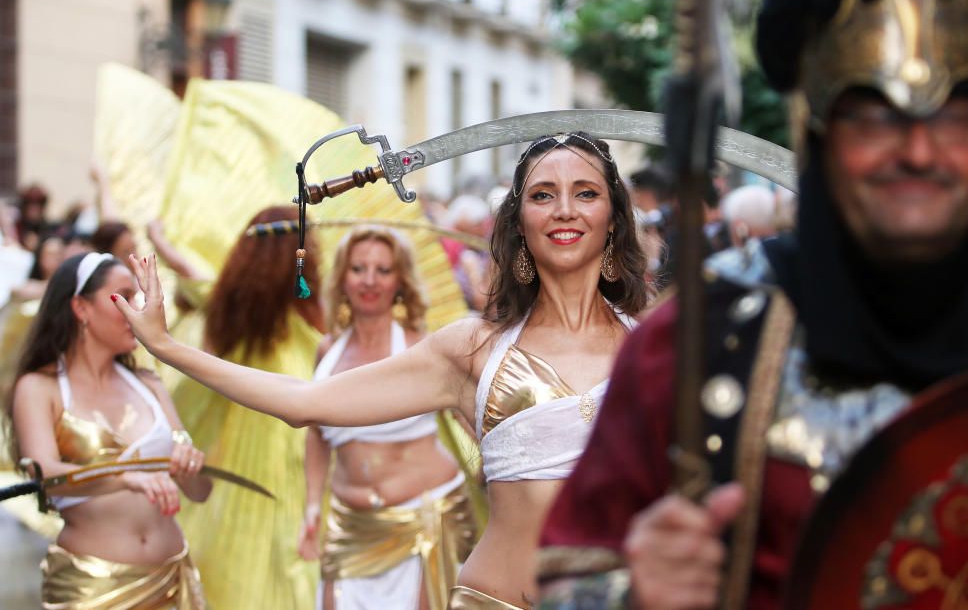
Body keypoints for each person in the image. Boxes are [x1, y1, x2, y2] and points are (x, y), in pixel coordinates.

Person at [534, 0, 968, 608]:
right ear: (818, 132)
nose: (919, 152)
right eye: (874, 118)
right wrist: (635, 594)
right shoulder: (701, 341)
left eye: (951, 118)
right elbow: (565, 581)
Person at [112, 131, 649, 608]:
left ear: (613, 219)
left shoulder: (652, 346)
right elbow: (304, 403)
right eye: (541, 194)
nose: (564, 209)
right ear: (520, 225)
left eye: (585, 192)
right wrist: (166, 347)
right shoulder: (471, 350)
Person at [5, 252, 212, 608]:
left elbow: (200, 491)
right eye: (124, 297)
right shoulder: (40, 388)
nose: (137, 308)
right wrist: (125, 476)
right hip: (94, 587)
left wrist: (190, 465)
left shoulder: (148, 383)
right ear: (81, 308)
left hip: (173, 580)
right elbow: (46, 476)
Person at [299, 225, 475, 610]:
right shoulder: (327, 351)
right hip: (350, 526)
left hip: (427, 518)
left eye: (383, 270)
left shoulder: (420, 348)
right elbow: (316, 433)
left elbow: (470, 416)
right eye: (359, 268)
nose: (370, 280)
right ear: (343, 277)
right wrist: (313, 504)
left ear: (400, 281)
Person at [169, 205, 326, 610]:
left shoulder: (231, 316)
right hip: (290, 464)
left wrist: (159, 239)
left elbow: (192, 276)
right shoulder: (310, 323)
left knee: (240, 563)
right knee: (290, 567)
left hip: (247, 465)